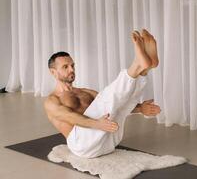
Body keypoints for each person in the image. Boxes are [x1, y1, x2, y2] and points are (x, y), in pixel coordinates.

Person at [44, 29, 160, 158]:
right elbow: (69, 116)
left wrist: (140, 109)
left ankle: (144, 69)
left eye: (72, 65)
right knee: (106, 98)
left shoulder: (84, 91)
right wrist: (96, 124)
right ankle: (138, 65)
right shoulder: (52, 100)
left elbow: (115, 102)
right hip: (83, 145)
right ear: (53, 72)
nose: (71, 69)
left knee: (118, 103)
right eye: (65, 67)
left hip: (108, 141)